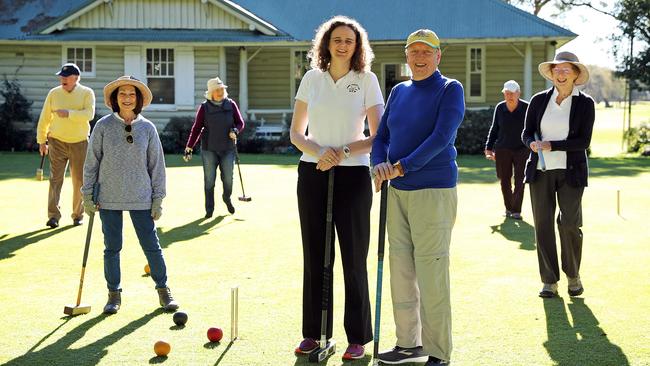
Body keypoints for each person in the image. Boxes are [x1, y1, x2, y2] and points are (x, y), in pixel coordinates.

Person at [289, 15, 384, 360]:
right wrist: (320, 154)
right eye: (337, 39)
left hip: (354, 174)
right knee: (316, 256)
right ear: (326, 44)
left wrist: (342, 152)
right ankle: (313, 334)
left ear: (357, 46)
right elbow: (296, 133)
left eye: (349, 40)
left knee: (354, 258)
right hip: (312, 172)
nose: (343, 45)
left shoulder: (367, 80)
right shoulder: (312, 79)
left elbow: (377, 135)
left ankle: (357, 337)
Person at [371, 29, 465, 366]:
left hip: (433, 191)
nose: (420, 58)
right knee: (401, 271)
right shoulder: (398, 90)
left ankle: (438, 351)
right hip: (397, 193)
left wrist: (402, 166)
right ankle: (408, 344)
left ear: (438, 56)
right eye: (414, 52)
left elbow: (442, 136)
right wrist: (378, 165)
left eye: (427, 52)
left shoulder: (450, 89)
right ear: (406, 56)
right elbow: (381, 136)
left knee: (431, 272)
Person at [82, 76, 179, 314]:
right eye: (122, 94)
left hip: (141, 197)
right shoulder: (103, 126)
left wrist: (158, 199)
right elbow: (91, 162)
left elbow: (157, 166)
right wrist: (87, 194)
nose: (127, 98)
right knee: (112, 247)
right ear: (115, 99)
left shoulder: (147, 128)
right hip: (108, 197)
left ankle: (164, 291)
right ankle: (113, 295)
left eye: (131, 94)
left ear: (138, 100)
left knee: (151, 246)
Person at [521, 51, 594, 298]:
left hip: (571, 172)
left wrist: (554, 145)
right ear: (551, 74)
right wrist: (531, 143)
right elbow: (527, 133)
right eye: (556, 70)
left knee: (570, 223)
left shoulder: (586, 104)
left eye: (566, 70)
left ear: (575, 75)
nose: (560, 74)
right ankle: (549, 281)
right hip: (540, 172)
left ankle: (573, 275)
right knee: (542, 225)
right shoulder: (539, 101)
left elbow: (583, 141)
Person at [36, 63, 95, 228]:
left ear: (76, 78)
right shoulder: (54, 94)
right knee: (55, 179)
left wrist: (69, 113)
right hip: (57, 141)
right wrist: (42, 141)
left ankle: (78, 215)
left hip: (80, 142)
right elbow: (44, 119)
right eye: (61, 76)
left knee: (79, 181)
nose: (62, 79)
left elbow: (89, 114)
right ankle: (53, 216)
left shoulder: (87, 93)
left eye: (66, 76)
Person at [185, 77, 245, 217]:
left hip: (228, 149)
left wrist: (235, 130)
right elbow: (197, 128)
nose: (220, 92)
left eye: (222, 89)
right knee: (209, 180)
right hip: (209, 149)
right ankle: (209, 209)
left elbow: (240, 123)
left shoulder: (231, 104)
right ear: (211, 92)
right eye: (217, 90)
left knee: (228, 179)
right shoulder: (204, 107)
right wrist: (189, 147)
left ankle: (226, 198)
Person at [484, 80, 529, 220]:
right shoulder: (500, 108)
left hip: (522, 149)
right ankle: (509, 208)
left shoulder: (526, 107)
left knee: (520, 180)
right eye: (506, 93)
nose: (509, 96)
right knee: (504, 180)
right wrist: (488, 148)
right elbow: (494, 129)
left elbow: (532, 129)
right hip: (503, 148)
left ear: (518, 93)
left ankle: (516, 210)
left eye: (512, 93)